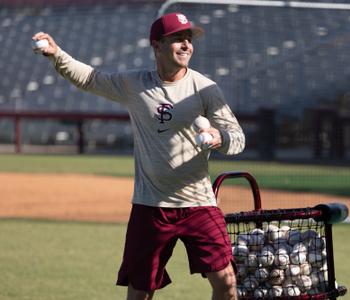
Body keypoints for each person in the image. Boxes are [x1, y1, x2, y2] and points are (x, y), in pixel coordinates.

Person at [33, 12, 245, 300]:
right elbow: (91, 79)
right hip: (150, 206)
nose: (186, 45)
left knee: (227, 283)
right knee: (140, 292)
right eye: (177, 39)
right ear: (156, 45)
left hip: (199, 204)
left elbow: (238, 137)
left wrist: (221, 138)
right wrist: (56, 54)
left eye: (189, 39)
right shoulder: (136, 84)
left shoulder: (205, 88)